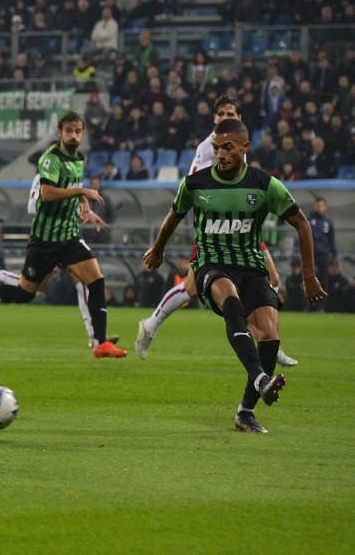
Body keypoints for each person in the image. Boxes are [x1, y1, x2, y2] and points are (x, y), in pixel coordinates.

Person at [143, 118, 325, 433]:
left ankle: (245, 412)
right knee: (230, 299)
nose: (221, 154)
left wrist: (310, 275)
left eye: (227, 148)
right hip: (210, 264)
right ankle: (259, 376)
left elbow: (303, 224)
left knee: (269, 330)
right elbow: (174, 215)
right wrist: (158, 249)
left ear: (244, 147)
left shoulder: (264, 184)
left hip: (251, 266)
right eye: (216, 148)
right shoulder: (196, 183)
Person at [135, 95, 299, 367]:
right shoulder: (207, 149)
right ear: (214, 118)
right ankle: (150, 325)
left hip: (244, 228)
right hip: (217, 230)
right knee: (191, 288)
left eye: (229, 113)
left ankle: (268, 339)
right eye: (220, 113)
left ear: (239, 118)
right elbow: (194, 191)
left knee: (272, 277)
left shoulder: (239, 143)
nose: (224, 117)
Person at [0, 112, 126, 359]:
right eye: (69, 131)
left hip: (69, 236)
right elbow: (47, 193)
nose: (74, 135)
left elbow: (73, 185)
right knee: (26, 294)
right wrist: (83, 191)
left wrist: (86, 207)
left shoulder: (79, 158)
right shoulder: (50, 159)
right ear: (59, 132)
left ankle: (100, 343)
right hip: (45, 241)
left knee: (96, 280)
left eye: (78, 131)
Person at [307, 197, 336, 303]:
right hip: (311, 255)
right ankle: (310, 305)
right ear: (315, 206)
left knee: (323, 280)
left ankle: (322, 307)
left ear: (325, 207)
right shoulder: (310, 219)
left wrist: (334, 256)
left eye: (322, 205)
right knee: (310, 279)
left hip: (324, 255)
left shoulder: (328, 222)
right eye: (318, 205)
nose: (319, 207)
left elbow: (332, 240)